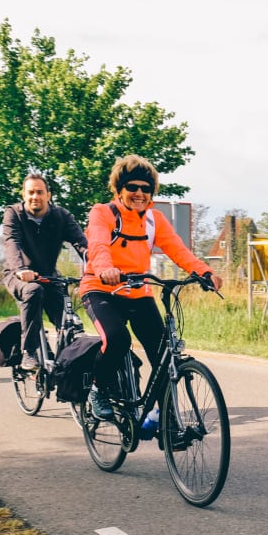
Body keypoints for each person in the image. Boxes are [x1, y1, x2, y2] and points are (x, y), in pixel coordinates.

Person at [80, 155, 223, 420]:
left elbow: (178, 250)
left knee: (162, 355)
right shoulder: (102, 213)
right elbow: (98, 245)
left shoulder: (154, 220)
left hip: (138, 291)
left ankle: (168, 423)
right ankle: (98, 389)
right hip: (102, 289)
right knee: (117, 339)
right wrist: (104, 269)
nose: (139, 193)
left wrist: (204, 271)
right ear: (119, 189)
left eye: (146, 189)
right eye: (132, 187)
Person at [2, 173, 88, 370]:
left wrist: (96, 264)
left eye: (40, 192)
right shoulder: (14, 214)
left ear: (48, 195)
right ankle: (29, 352)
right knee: (33, 291)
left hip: (49, 276)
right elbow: (11, 242)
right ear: (23, 194)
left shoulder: (61, 216)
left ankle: (66, 365)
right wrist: (20, 269)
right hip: (18, 275)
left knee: (67, 321)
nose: (35, 197)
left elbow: (81, 243)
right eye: (31, 192)